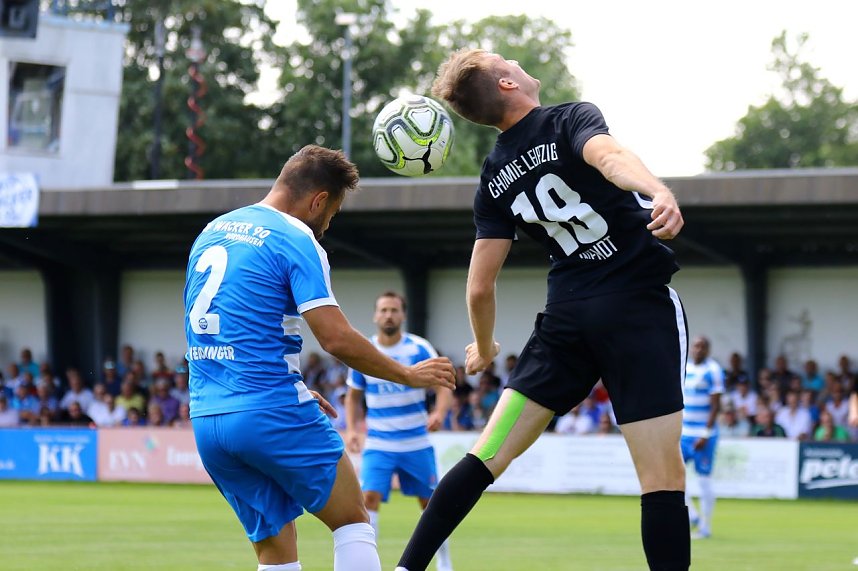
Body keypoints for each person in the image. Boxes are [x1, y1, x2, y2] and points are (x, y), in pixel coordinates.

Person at [396, 49, 689, 571]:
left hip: (566, 321)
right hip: (637, 309)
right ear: (507, 83)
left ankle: (405, 568)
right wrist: (657, 190)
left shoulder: (493, 177)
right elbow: (610, 158)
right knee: (661, 479)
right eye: (504, 59)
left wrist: (484, 347)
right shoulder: (569, 119)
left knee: (486, 455)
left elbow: (479, 287)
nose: (514, 61)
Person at [183, 145, 456, 571]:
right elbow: (335, 338)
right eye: (332, 213)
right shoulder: (295, 237)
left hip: (207, 417)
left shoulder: (213, 231)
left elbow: (213, 325)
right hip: (269, 409)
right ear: (318, 200)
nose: (328, 224)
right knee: (352, 521)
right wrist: (406, 374)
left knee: (275, 548)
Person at [344, 291, 455, 571]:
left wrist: (439, 413)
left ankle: (444, 562)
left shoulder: (419, 349)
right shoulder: (364, 350)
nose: (388, 315)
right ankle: (371, 564)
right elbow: (353, 396)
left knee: (430, 503)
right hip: (379, 442)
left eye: (394, 310)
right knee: (368, 499)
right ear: (375, 315)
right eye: (383, 310)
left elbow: (443, 384)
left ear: (403, 315)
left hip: (415, 441)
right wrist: (353, 430)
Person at [679, 336, 724, 540]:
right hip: (684, 433)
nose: (698, 350)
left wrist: (705, 434)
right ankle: (692, 516)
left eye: (702, 347)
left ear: (708, 350)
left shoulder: (713, 371)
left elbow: (716, 406)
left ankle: (706, 526)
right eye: (696, 346)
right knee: (674, 476)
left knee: (704, 480)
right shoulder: (685, 367)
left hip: (704, 435)